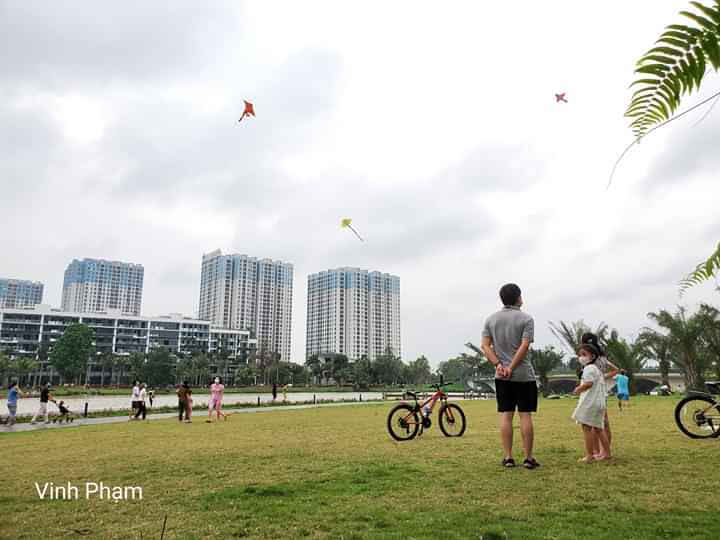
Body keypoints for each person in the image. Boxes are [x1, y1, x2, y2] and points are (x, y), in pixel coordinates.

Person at [481, 283, 540, 469]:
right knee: (525, 416)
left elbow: (485, 346)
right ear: (518, 298)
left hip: (501, 376)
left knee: (506, 415)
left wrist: (499, 366)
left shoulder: (491, 320)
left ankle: (508, 457)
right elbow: (524, 346)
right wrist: (512, 367)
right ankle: (528, 458)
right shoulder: (527, 319)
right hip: (523, 375)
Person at [581, 333, 618, 459]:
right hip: (602, 392)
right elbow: (616, 369)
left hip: (592, 393)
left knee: (591, 423)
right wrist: (602, 377)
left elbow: (589, 380)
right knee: (603, 423)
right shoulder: (602, 357)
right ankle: (605, 450)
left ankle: (597, 452)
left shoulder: (589, 357)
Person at [572, 344, 609, 462]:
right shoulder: (596, 369)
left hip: (591, 402)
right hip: (600, 402)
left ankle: (589, 455)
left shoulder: (588, 369)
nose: (581, 357)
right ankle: (607, 453)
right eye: (580, 355)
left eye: (584, 354)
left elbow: (588, 384)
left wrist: (578, 389)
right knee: (599, 428)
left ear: (592, 356)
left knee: (586, 427)